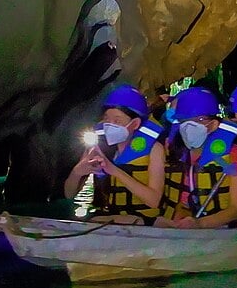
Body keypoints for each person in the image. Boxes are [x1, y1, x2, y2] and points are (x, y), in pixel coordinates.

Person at [65, 85, 168, 222]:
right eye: (107, 119)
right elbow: (69, 195)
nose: (109, 125)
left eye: (117, 120)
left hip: (143, 220)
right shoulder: (98, 147)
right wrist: (77, 172)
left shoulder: (154, 149)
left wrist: (113, 170)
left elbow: (154, 200)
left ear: (135, 123)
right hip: (108, 218)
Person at [158, 87, 237, 228]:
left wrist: (199, 224)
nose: (190, 125)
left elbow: (235, 209)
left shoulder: (235, 153)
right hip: (193, 226)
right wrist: (179, 221)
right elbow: (184, 201)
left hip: (229, 229)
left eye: (200, 120)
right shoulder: (181, 154)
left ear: (214, 124)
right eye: (184, 120)